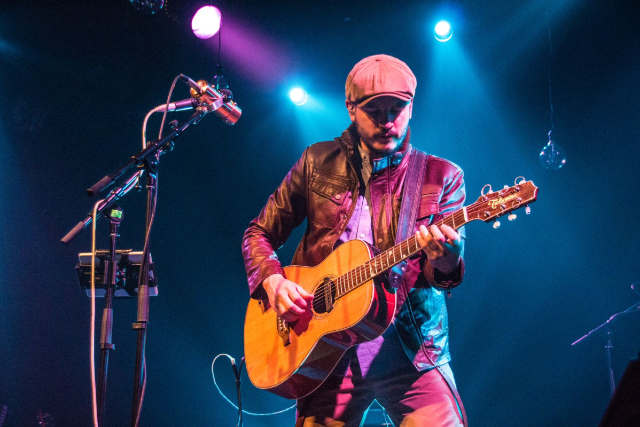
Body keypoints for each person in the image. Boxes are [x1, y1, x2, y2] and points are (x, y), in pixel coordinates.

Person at [242, 54, 467, 427]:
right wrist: (273, 280)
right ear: (351, 108)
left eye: (397, 109)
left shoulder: (441, 175)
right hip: (325, 353)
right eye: (374, 111)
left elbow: (441, 274)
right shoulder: (316, 161)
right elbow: (259, 232)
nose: (387, 121)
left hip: (411, 353)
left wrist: (447, 259)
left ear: (412, 107)